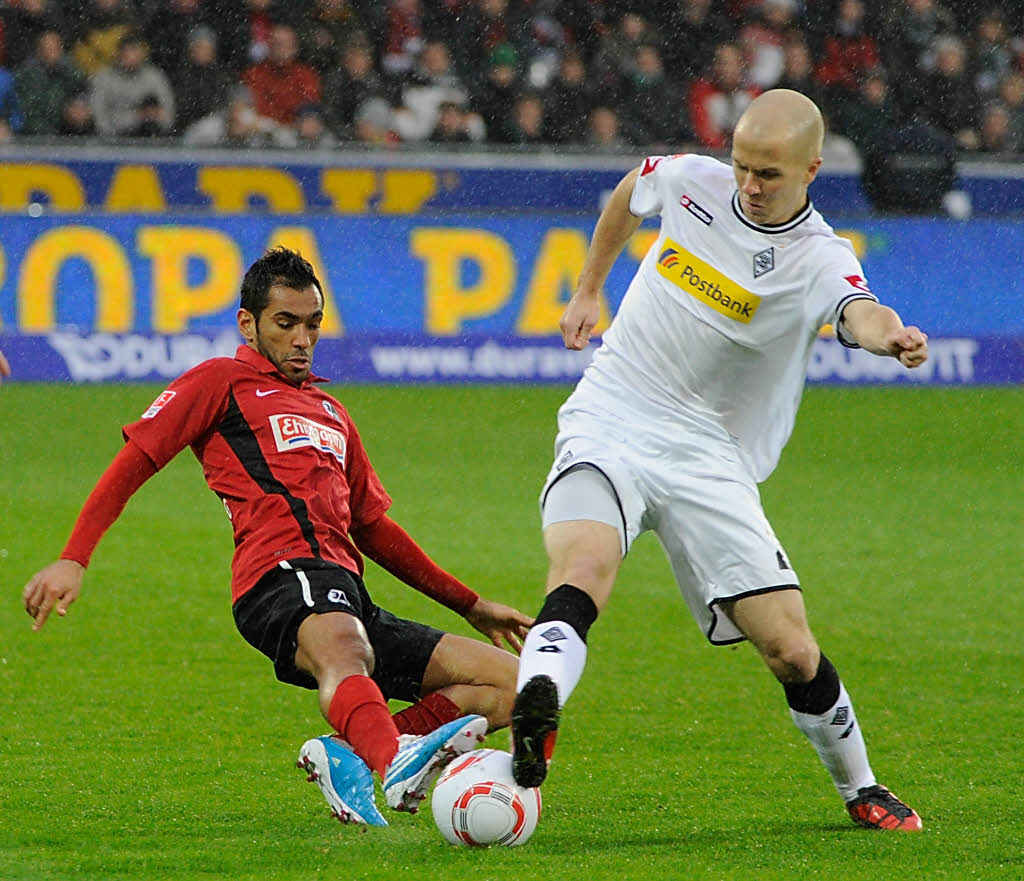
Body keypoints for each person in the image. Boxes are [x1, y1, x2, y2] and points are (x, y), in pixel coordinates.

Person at [509, 89, 927, 832]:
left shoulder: (817, 256)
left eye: (769, 173)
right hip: (614, 411)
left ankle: (862, 785)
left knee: (791, 649)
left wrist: (889, 336)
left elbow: (859, 309)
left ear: (811, 170)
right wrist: (587, 287)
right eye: (741, 165)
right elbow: (626, 197)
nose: (749, 185)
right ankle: (537, 701)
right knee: (582, 568)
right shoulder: (692, 180)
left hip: (711, 458)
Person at [23, 247, 532, 828]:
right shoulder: (222, 381)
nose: (301, 339)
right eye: (285, 323)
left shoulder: (332, 412)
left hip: (345, 590)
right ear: (249, 323)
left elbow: (373, 529)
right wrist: (73, 557)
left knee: (514, 686)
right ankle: (394, 759)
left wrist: (471, 604)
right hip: (280, 576)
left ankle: (352, 753)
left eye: (312, 324)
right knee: (347, 653)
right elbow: (134, 463)